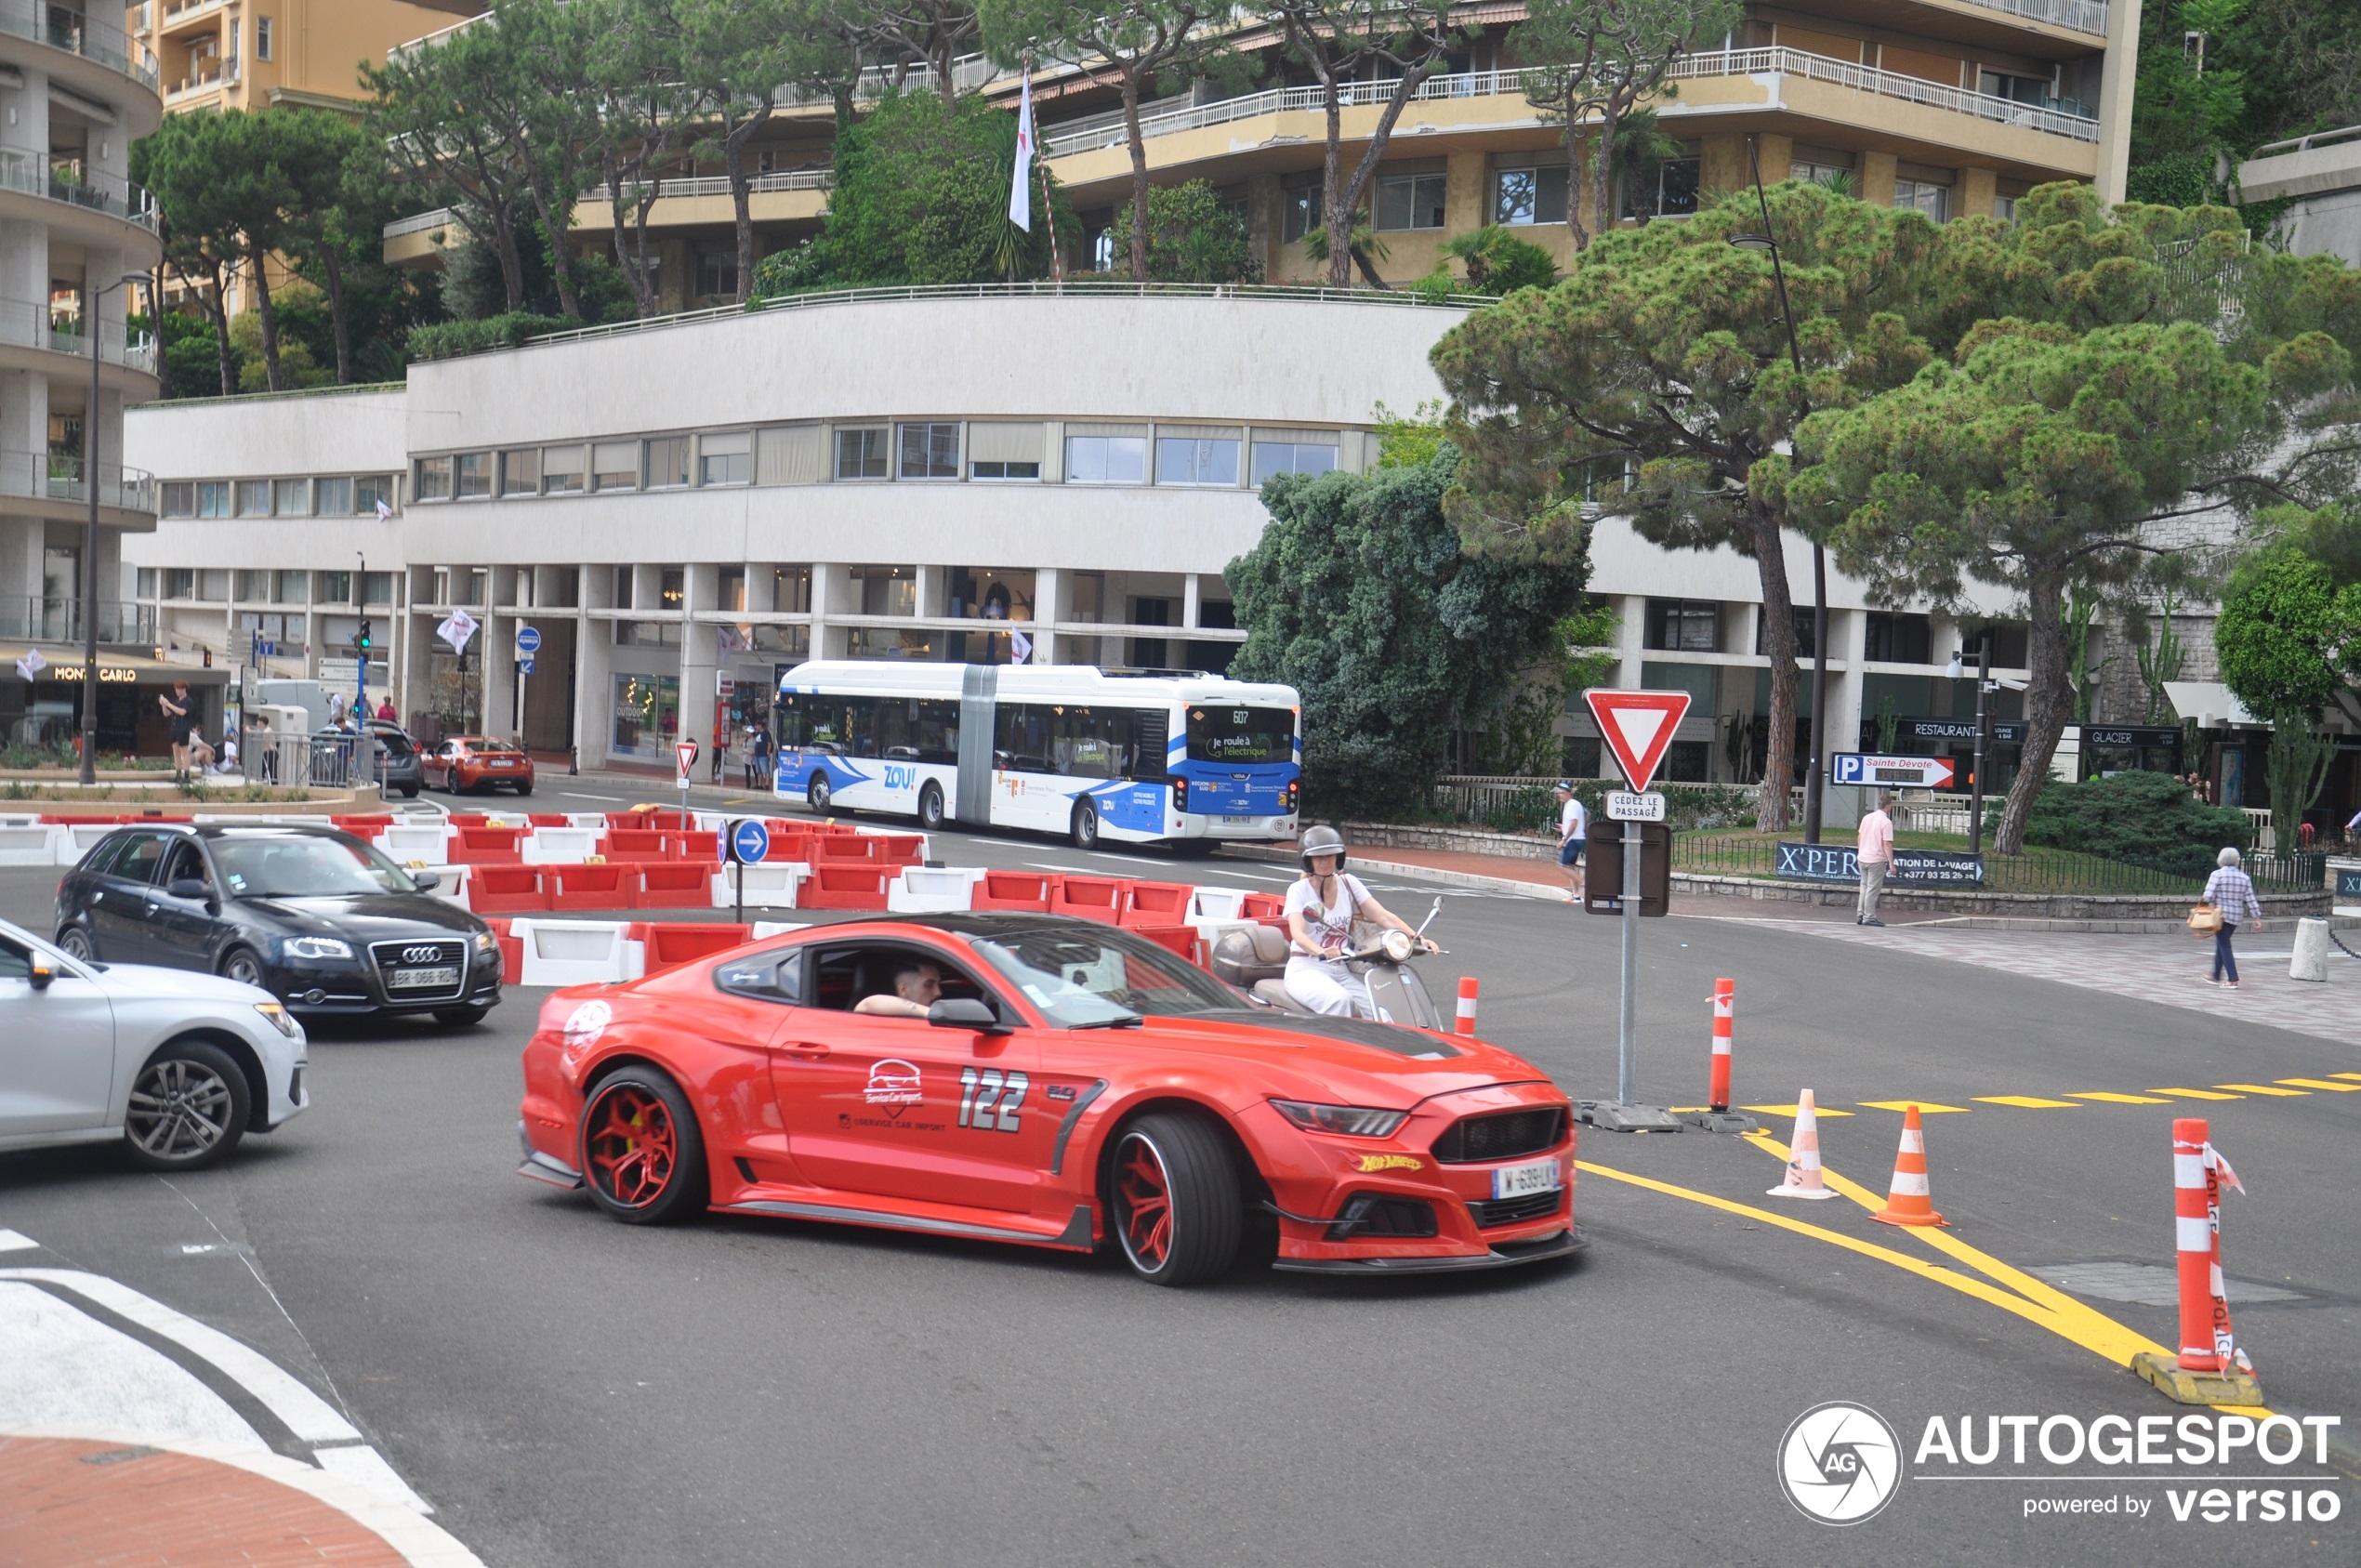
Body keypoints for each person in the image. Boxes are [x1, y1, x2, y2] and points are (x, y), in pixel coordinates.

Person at [1283, 824, 1434, 1018]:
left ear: (1339, 858)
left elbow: (1382, 916)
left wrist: (1418, 938)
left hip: (1340, 969)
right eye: (1319, 856)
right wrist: (1320, 951)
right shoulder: (1298, 890)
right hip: (1306, 968)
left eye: (1330, 855)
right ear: (1308, 860)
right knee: (1340, 1001)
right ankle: (1336, 1048)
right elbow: (1298, 933)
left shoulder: (1348, 883)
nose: (1325, 861)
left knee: (1379, 1009)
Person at [2201, 846, 2264, 989]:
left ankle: (2232, 979)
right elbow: (2251, 899)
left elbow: (2208, 896)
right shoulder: (2244, 877)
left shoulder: (2217, 875)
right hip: (2236, 916)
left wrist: (2209, 902)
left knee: (2224, 945)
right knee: (2222, 943)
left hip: (2220, 915)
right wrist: (2257, 918)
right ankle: (2215, 975)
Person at [1856, 790, 1896, 927]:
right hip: (1876, 859)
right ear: (1888, 806)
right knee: (1872, 890)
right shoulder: (1886, 822)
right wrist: (1891, 863)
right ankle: (1869, 917)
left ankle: (1860, 914)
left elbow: (1860, 837)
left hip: (1862, 857)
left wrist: (1861, 851)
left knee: (1864, 887)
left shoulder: (1867, 818)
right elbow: (1887, 843)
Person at [855, 960, 943, 1017]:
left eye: (938, 984)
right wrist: (928, 1012)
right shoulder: (886, 1018)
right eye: (929, 985)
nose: (938, 992)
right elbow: (866, 1005)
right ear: (903, 990)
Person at [1555, 782, 1589, 902]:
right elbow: (1574, 823)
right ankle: (1576, 896)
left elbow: (1574, 824)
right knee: (1569, 867)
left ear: (1569, 793)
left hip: (1574, 840)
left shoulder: (1572, 804)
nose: (1560, 795)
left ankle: (1585, 884)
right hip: (1575, 839)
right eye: (1559, 793)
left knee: (1562, 866)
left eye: (1563, 793)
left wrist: (1563, 840)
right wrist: (1563, 828)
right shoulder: (1572, 804)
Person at [159, 681, 193, 780]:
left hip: (183, 729)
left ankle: (186, 776)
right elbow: (167, 714)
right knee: (176, 752)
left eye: (178, 689)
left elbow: (182, 712)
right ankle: (178, 775)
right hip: (175, 729)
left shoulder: (188, 701)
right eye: (176, 689)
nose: (177, 691)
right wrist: (164, 705)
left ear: (184, 689)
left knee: (184, 752)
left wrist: (168, 703)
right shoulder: (176, 702)